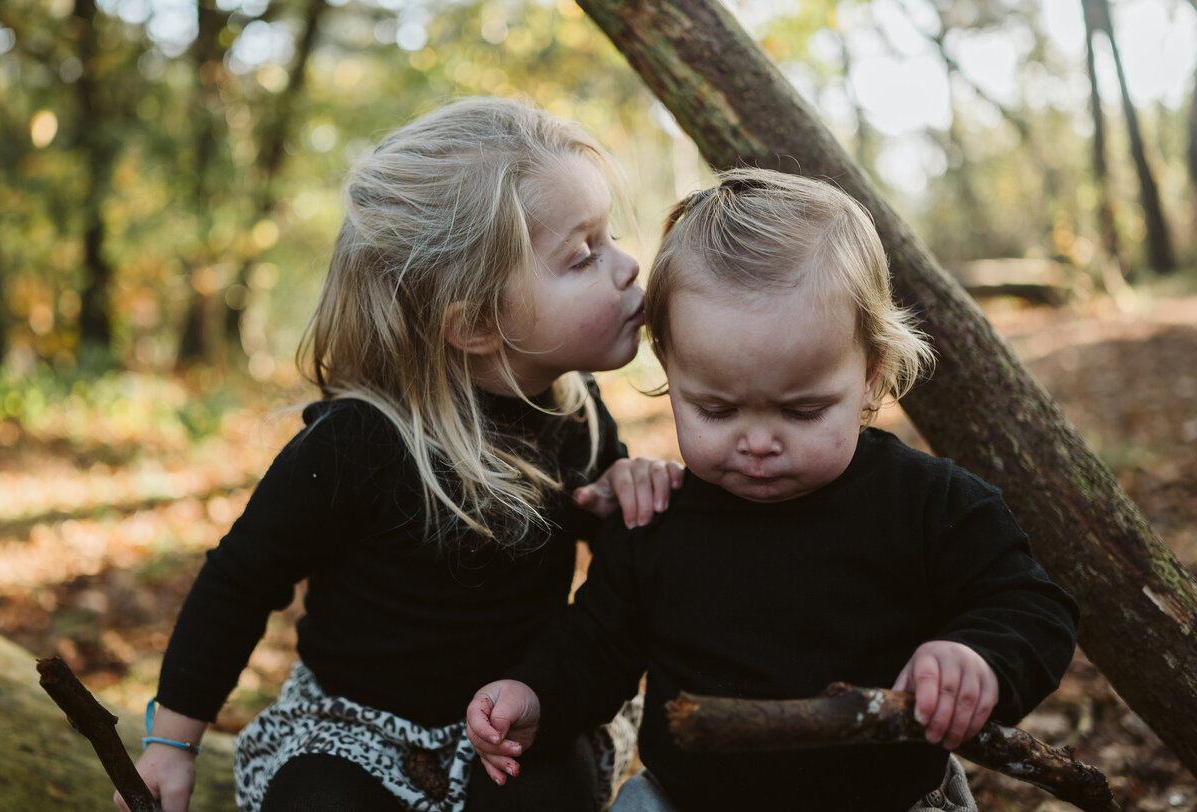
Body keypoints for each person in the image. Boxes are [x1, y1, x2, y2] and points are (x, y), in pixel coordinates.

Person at [114, 96, 684, 812]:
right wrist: (172, 742)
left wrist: (626, 497)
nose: (629, 267)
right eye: (582, 256)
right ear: (475, 322)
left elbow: (620, 582)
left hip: (516, 720)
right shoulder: (360, 442)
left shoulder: (575, 414)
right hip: (356, 728)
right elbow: (239, 582)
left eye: (611, 238)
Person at [466, 168, 1080, 811]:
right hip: (689, 799)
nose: (758, 442)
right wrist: (535, 696)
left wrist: (975, 657)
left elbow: (1032, 606)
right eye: (717, 410)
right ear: (670, 368)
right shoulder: (659, 520)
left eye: (803, 411)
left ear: (869, 376)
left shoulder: (927, 505)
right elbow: (595, 646)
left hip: (887, 800)